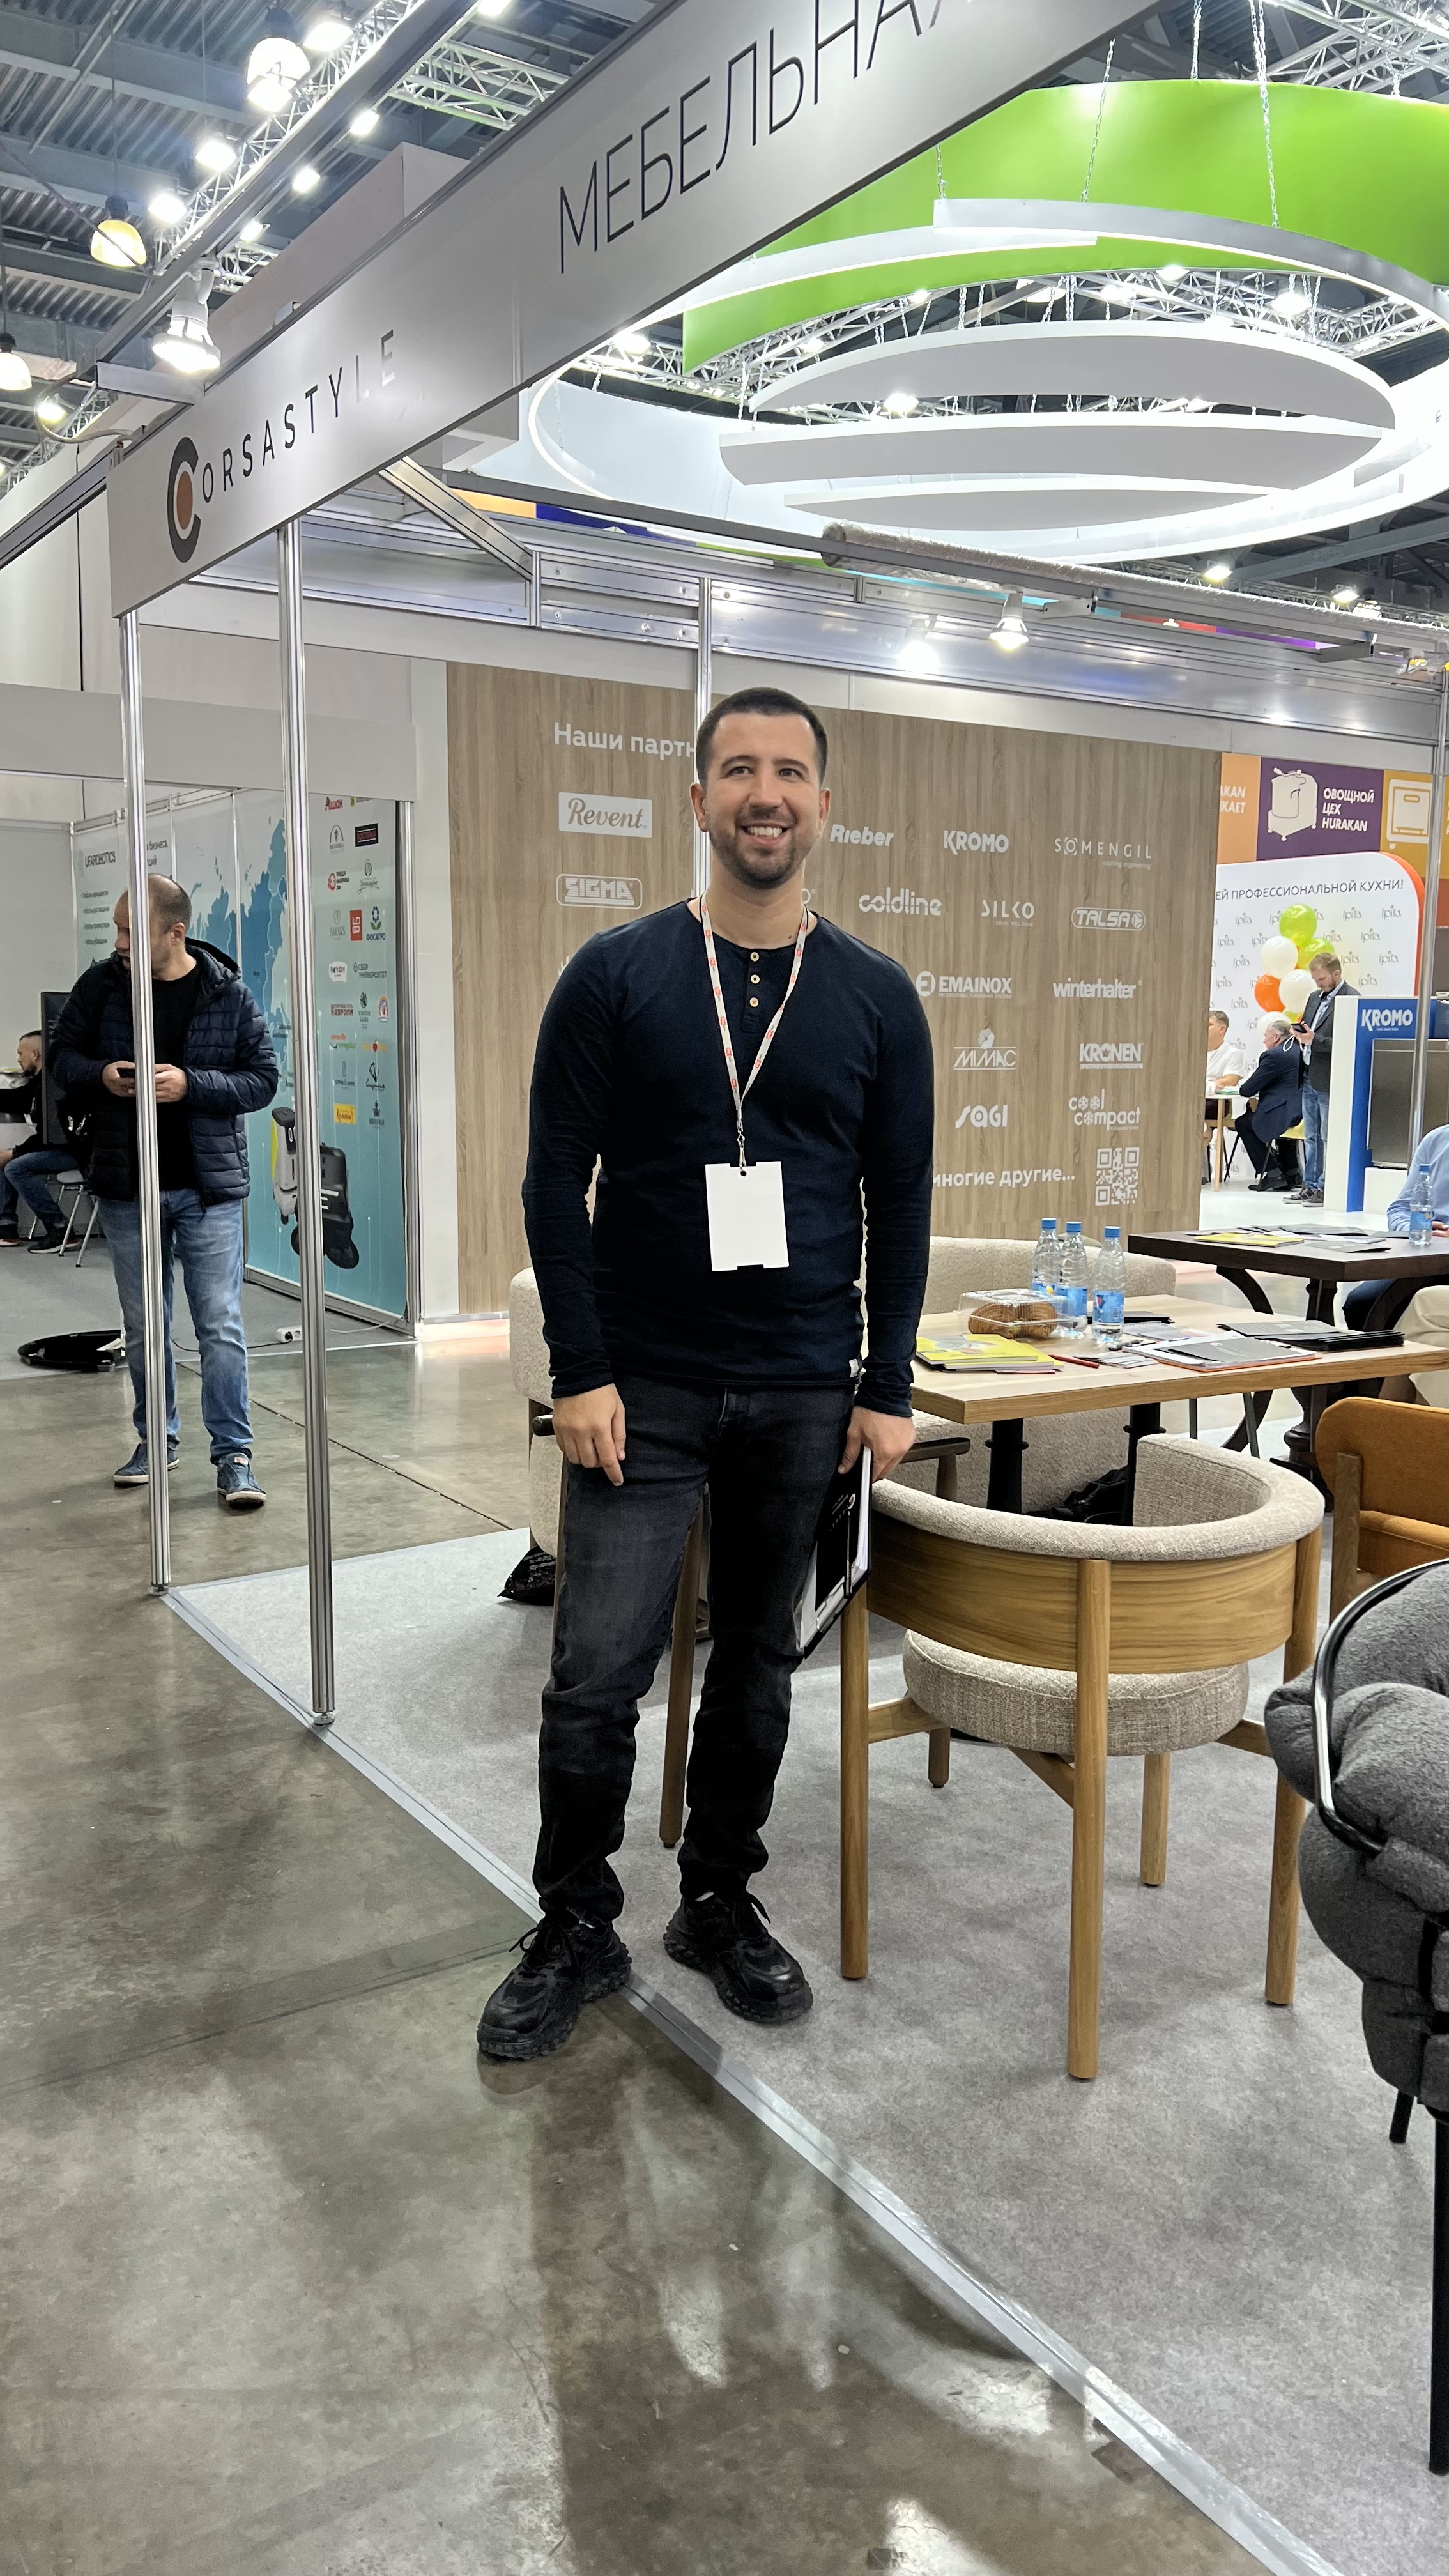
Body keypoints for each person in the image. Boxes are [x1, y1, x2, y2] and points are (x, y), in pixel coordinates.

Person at [478, 684, 934, 2065]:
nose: (764, 793)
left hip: (801, 1388)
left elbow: (900, 1199)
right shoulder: (615, 974)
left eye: (789, 771)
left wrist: (887, 1382)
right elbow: (554, 1181)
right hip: (644, 1386)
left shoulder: (876, 997)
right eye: (738, 769)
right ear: (698, 799)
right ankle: (574, 1920)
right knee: (595, 1674)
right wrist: (580, 1368)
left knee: (755, 1665)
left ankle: (718, 1897)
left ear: (823, 804)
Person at [51, 876, 278, 1507]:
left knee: (220, 1326)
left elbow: (262, 1080)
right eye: (116, 928)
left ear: (175, 933)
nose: (119, 942)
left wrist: (191, 1085)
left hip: (208, 1193)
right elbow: (62, 1058)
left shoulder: (227, 993)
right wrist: (103, 1075)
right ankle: (157, 1441)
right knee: (145, 1325)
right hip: (128, 1188)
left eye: (131, 930)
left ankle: (234, 1456)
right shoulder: (101, 986)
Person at [1341, 1123, 1449, 1351]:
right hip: (1425, 1259)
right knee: (1361, 1304)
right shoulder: (1438, 1139)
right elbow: (1400, 1209)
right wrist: (1415, 1228)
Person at [1290, 949, 1356, 1204]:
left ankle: (1327, 1186)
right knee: (1311, 1135)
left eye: (1322, 979)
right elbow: (1309, 1027)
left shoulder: (1351, 999)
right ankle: (1310, 1185)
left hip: (1330, 1076)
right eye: (1315, 979)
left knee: (1328, 1135)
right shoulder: (1313, 998)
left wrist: (1314, 1040)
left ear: (1336, 974)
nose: (1318, 984)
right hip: (1309, 1072)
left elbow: (1347, 1041)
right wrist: (1301, 1034)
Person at [0, 1031, 75, 1248]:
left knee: (15, 1167)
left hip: (73, 1152)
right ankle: (6, 1228)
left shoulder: (55, 1085)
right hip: (58, 1148)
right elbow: (16, 1100)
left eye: (21, 1054)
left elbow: (52, 1134)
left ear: (34, 1055)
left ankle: (60, 1229)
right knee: (6, 1161)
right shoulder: (40, 1084)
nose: (18, 1060)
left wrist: (15, 1152)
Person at [1234, 1016, 1303, 1192]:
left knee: (1243, 1123)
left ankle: (1273, 1173)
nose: (1264, 1041)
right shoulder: (1300, 1050)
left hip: (1284, 1112)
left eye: (1266, 1036)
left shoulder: (1274, 1056)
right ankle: (1292, 1172)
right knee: (1280, 1126)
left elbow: (1247, 1090)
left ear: (1276, 1037)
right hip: (1302, 1112)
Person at [1204, 1007, 1246, 1112]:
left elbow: (1231, 1081)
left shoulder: (1233, 1053)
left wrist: (1207, 1086)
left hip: (1215, 1102)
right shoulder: (1192, 1053)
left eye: (1208, 1025)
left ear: (1222, 1029)